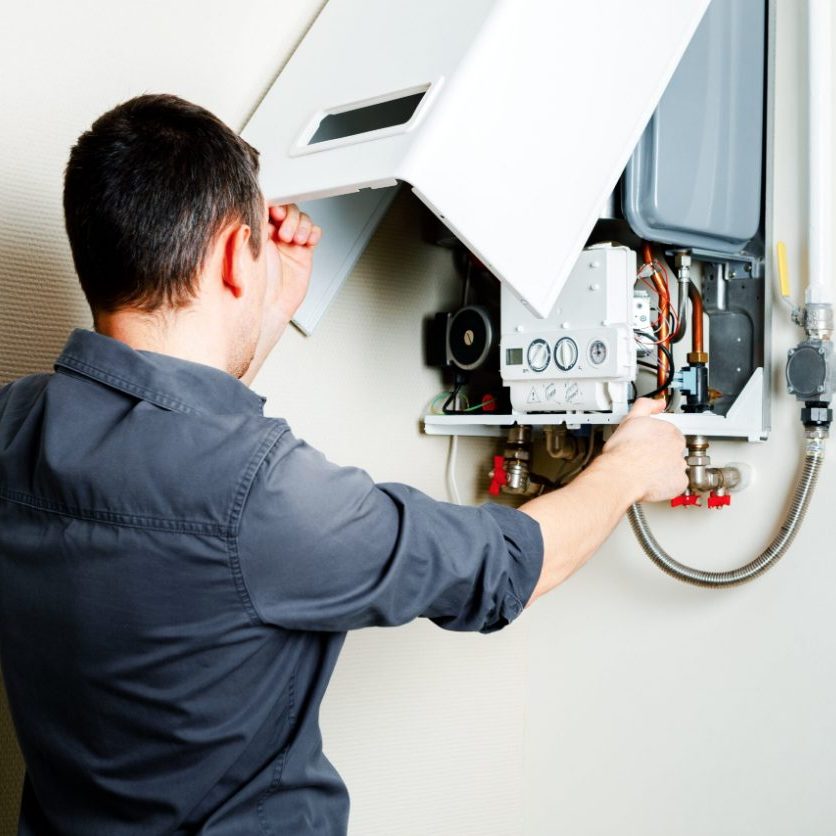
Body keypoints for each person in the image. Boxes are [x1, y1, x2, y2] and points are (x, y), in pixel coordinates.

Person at [0, 94, 687, 835]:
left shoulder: (14, 424)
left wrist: (267, 304)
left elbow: (177, 440)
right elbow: (510, 564)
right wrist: (629, 468)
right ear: (234, 254)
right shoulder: (264, 496)